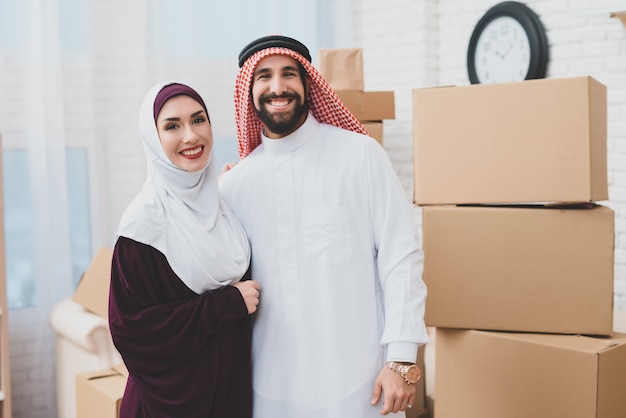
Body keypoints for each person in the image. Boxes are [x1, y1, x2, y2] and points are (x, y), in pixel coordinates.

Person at [218, 35, 429, 417]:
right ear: (248, 90)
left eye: (288, 74)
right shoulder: (234, 186)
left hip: (360, 387)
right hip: (269, 392)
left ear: (308, 83)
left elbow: (402, 256)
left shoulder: (360, 156)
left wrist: (400, 358)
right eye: (264, 76)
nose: (277, 87)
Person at [108, 81, 261, 418]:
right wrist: (224, 304)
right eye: (172, 126)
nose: (191, 136)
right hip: (171, 405)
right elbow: (130, 329)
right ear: (153, 138)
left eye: (198, 120)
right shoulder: (143, 227)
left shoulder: (221, 207)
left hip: (230, 397)